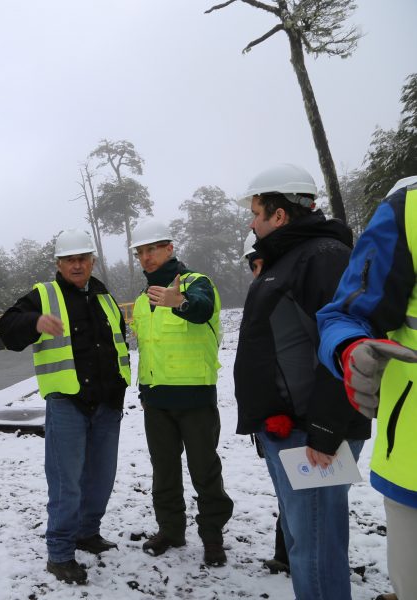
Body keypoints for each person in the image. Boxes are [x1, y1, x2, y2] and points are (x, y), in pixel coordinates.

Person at [234, 163, 370, 600]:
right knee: (302, 541)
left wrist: (326, 429)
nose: (251, 224)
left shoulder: (323, 257)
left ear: (279, 214)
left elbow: (345, 342)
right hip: (286, 429)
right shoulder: (288, 259)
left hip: (312, 433)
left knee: (316, 548)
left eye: (256, 213)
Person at [0, 229, 131, 585]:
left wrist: (119, 387)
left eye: (82, 258)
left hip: (107, 403)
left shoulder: (104, 296)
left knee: (101, 478)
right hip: (68, 402)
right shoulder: (43, 296)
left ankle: (88, 532)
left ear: (92, 261)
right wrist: (34, 322)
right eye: (69, 259)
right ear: (58, 263)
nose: (76, 265)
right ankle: (59, 553)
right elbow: (7, 329)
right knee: (65, 483)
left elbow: (118, 342)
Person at [316, 175, 417, 600]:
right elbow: (345, 317)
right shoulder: (408, 211)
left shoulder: (315, 258)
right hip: (412, 459)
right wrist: (349, 347)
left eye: (255, 214)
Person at [128, 218, 233, 567]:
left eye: (152, 249)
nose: (146, 257)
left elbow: (202, 310)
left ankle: (212, 536)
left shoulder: (195, 283)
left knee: (205, 471)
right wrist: (145, 392)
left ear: (170, 249)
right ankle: (171, 530)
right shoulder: (142, 301)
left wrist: (181, 302)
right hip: (157, 401)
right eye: (140, 252)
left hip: (195, 398)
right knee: (164, 471)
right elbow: (150, 349)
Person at [243, 230, 289, 575]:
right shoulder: (265, 297)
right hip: (273, 420)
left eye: (258, 264)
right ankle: (286, 553)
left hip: (293, 420)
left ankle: (297, 557)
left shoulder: (288, 298)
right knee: (291, 498)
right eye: (252, 265)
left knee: (307, 503)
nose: (256, 272)